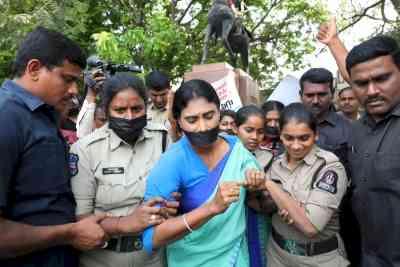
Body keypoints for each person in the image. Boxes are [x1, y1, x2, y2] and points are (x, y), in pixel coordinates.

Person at [0, 27, 108, 267]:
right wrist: (69, 233)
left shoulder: (41, 116)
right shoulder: (6, 117)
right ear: (34, 69)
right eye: (67, 79)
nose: (73, 91)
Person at [142, 79, 264, 267]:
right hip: (191, 260)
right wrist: (210, 208)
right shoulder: (172, 161)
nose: (203, 127)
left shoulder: (236, 148)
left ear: (219, 111)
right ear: (179, 121)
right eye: (192, 120)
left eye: (209, 116)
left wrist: (255, 183)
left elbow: (254, 183)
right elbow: (152, 239)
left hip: (235, 257)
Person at [70, 73, 175, 267]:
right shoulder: (85, 150)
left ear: (146, 106)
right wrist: (126, 223)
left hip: (153, 257)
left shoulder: (161, 139)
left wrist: (173, 203)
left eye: (136, 109)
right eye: (120, 110)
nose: (129, 116)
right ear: (107, 110)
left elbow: (173, 191)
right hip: (102, 259)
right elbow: (82, 220)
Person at [254, 103, 349, 266]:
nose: (296, 145)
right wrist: (257, 193)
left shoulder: (329, 167)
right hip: (277, 256)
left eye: (304, 138)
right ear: (281, 136)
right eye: (289, 138)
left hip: (318, 259)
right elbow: (259, 206)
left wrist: (268, 184)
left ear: (316, 135)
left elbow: (310, 227)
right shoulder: (274, 164)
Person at [346, 35, 400, 266]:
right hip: (368, 256)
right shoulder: (356, 130)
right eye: (360, 84)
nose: (371, 91)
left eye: (382, 79)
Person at [235, 105, 273, 267]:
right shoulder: (225, 155)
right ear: (236, 129)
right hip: (233, 219)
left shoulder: (269, 157)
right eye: (249, 130)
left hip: (258, 218)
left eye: (260, 132)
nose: (255, 137)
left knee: (258, 255)